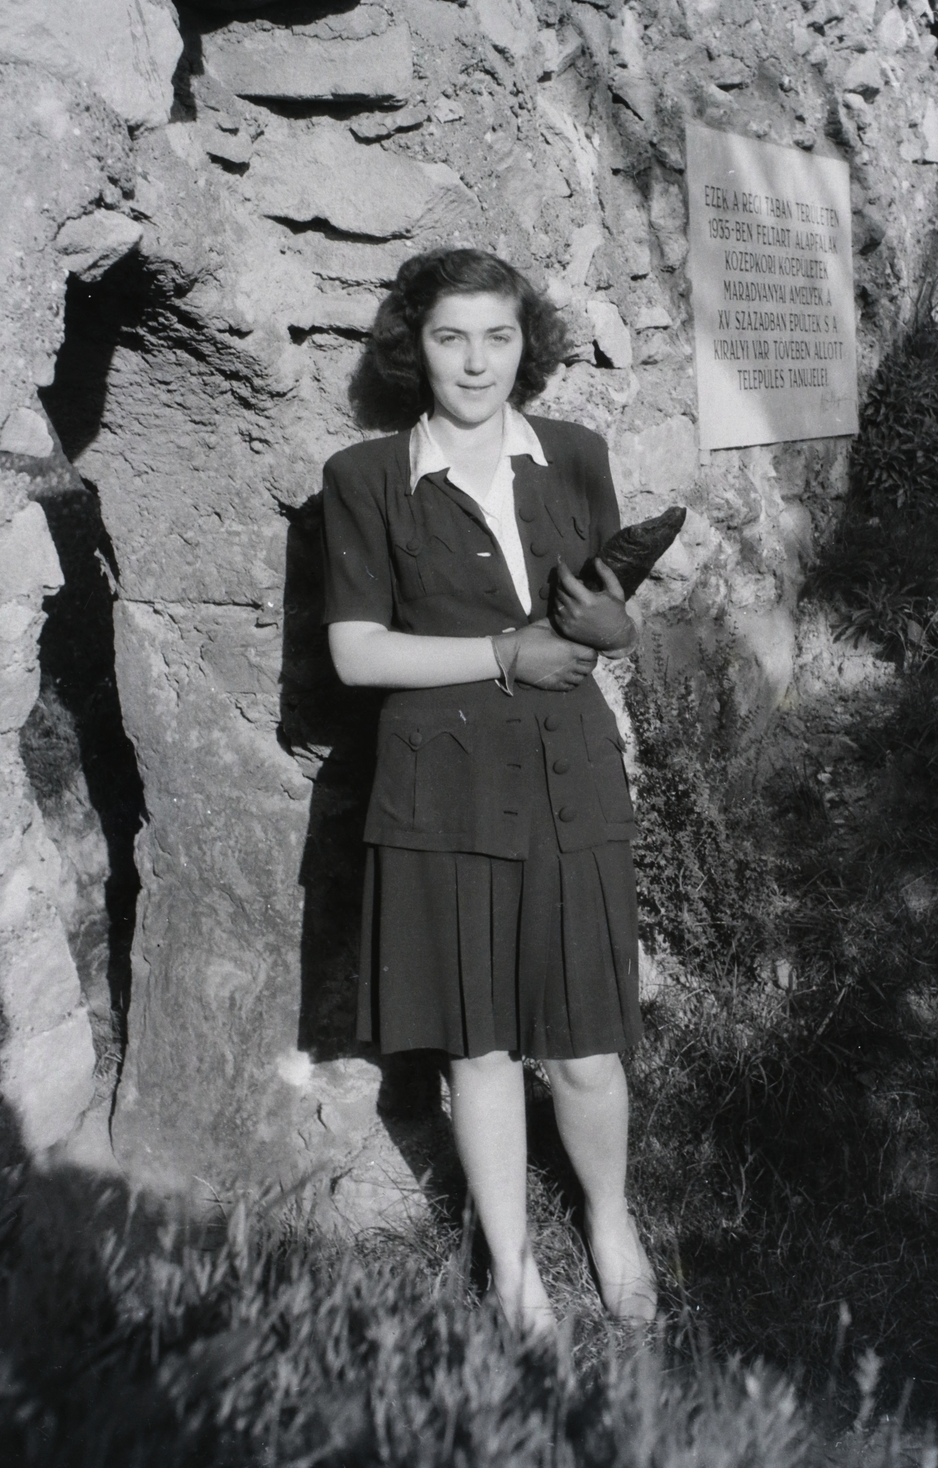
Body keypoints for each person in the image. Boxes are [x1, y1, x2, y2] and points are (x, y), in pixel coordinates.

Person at [321, 247, 657, 1339]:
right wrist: (505, 654)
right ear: (410, 347)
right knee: (477, 1045)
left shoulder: (573, 455)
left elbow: (601, 617)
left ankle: (610, 1223)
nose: (476, 362)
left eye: (498, 336)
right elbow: (358, 655)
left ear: (529, 343)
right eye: (449, 337)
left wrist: (615, 630)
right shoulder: (366, 478)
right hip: (443, 785)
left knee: (586, 1041)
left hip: (568, 776)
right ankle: (512, 1269)